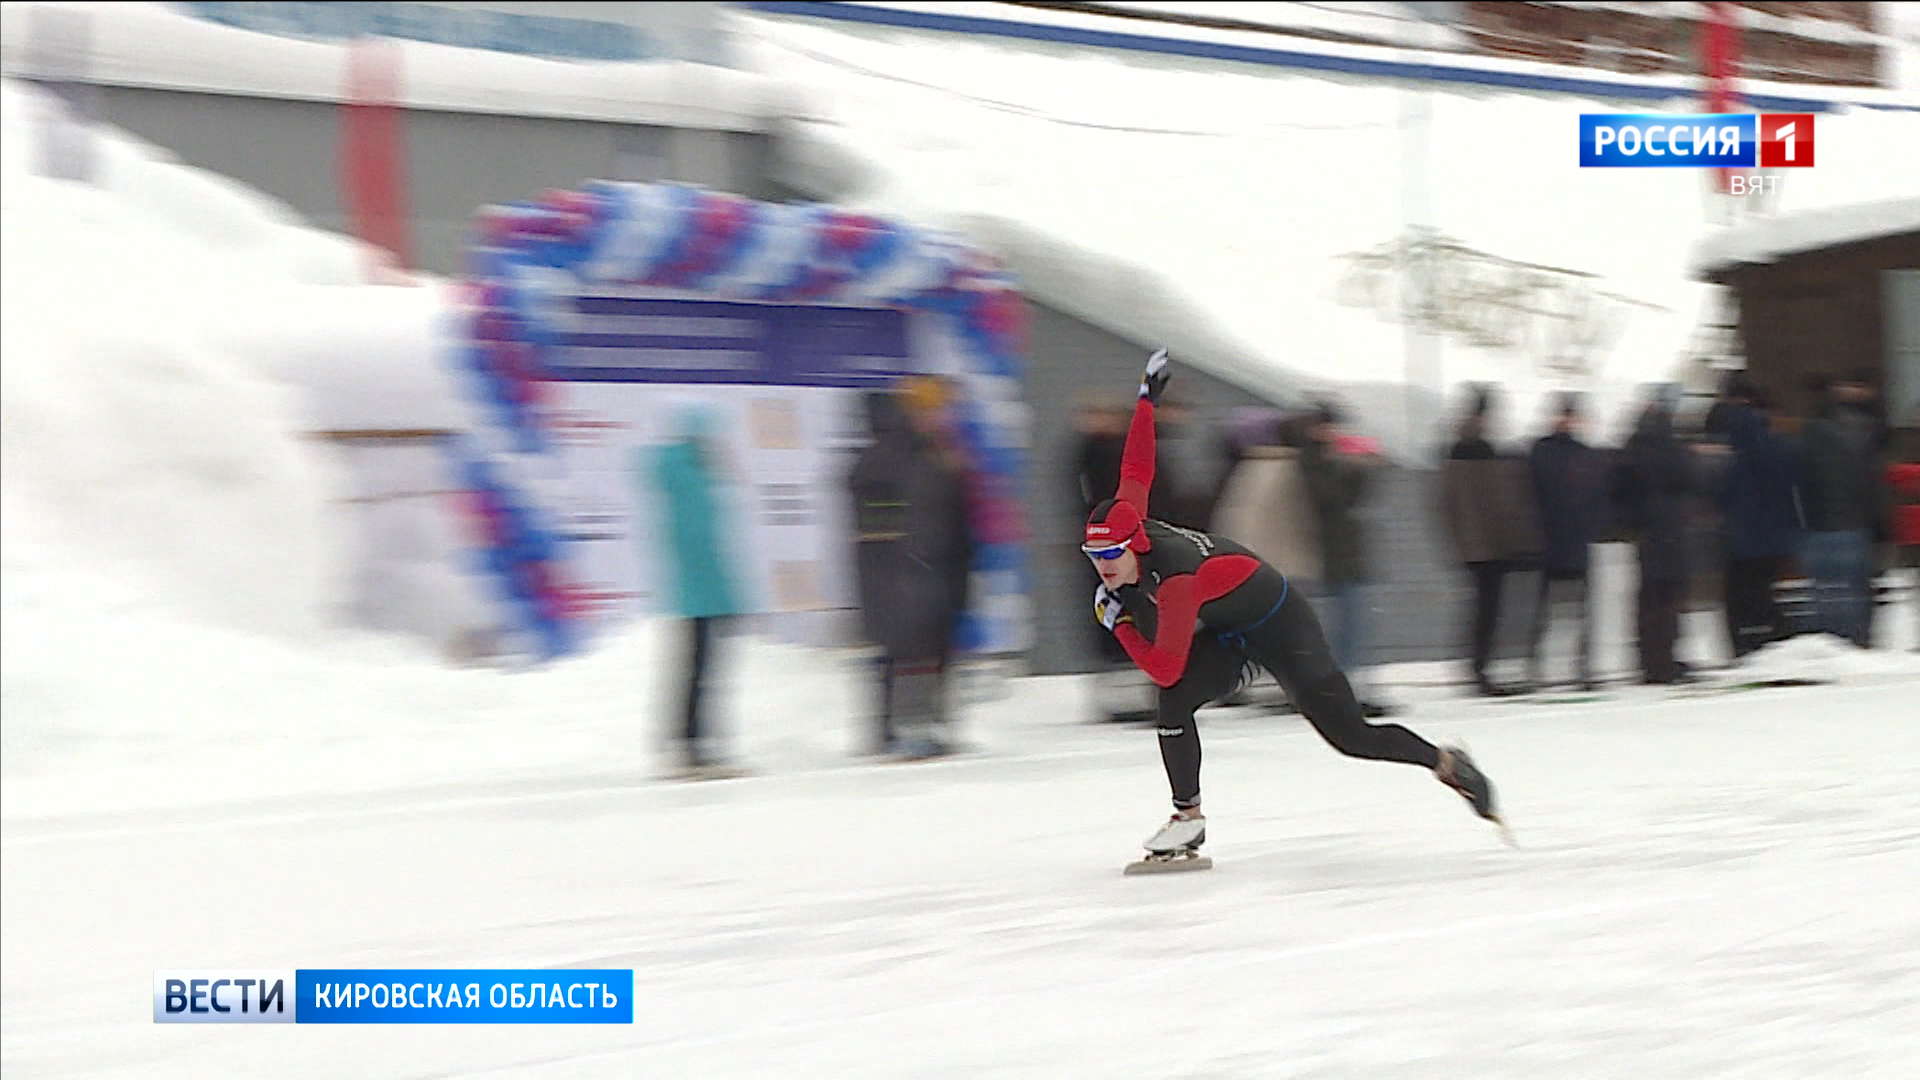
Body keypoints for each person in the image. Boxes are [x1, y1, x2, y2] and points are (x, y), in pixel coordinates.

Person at [1085, 350, 1503, 861]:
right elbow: (1137, 462)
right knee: (1171, 707)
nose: (1104, 566)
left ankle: (1445, 762)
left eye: (1111, 554)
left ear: (1134, 544)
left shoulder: (1175, 581)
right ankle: (1187, 819)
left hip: (1283, 627)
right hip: (1228, 629)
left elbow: (1166, 666)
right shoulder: (1129, 516)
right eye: (1095, 555)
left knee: (1351, 738)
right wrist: (1147, 399)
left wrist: (1123, 625)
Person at [648, 403, 748, 778]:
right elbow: (701, 545)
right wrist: (725, 596)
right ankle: (689, 744)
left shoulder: (692, 479)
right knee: (698, 672)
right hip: (701, 596)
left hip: (701, 595)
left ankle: (689, 742)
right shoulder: (692, 481)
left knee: (697, 671)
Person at [1437, 386, 1541, 696]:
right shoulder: (1475, 452)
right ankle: (1478, 669)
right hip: (1486, 547)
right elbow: (1491, 505)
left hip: (1481, 545)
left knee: (1485, 611)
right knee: (1485, 612)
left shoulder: (1462, 450)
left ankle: (1478, 667)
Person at [1297, 397, 1397, 716]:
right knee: (1343, 626)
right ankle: (1337, 692)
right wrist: (1352, 467)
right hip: (1329, 555)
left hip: (1347, 554)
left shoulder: (1329, 460)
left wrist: (1364, 470)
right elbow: (1330, 499)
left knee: (1355, 625)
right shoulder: (1311, 460)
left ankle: (1349, 688)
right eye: (1326, 426)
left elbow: (1352, 499)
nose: (1331, 432)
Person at [1617, 386, 1699, 683]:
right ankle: (1661, 660)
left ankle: (1655, 659)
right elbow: (1687, 476)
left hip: (1653, 530)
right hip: (1668, 528)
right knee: (1666, 598)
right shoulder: (1669, 446)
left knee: (1654, 598)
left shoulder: (1635, 445)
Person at [1798, 372, 1886, 648]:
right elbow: (1868, 483)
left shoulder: (1809, 436)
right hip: (1854, 523)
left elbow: (1803, 484)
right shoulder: (1861, 434)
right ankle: (1856, 638)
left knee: (1825, 590)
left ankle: (1830, 643)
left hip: (1820, 525)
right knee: (1854, 589)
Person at [1525, 393, 1606, 690]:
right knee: (1545, 610)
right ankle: (1537, 667)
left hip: (1571, 540)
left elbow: (1596, 497)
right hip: (1551, 540)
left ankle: (1580, 666)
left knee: (1579, 611)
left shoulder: (1573, 453)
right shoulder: (1548, 452)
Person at [1716, 380, 1800, 660]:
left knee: (1739, 596)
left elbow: (1724, 486)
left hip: (1740, 532)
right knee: (1761, 592)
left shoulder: (1728, 433)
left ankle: (1747, 648)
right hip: (1772, 532)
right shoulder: (1777, 442)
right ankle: (1776, 640)